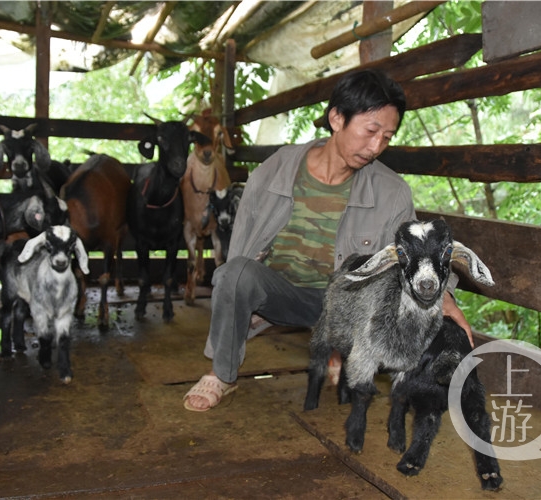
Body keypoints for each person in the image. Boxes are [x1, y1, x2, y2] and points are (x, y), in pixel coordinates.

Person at [183, 69, 472, 412]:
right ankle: (223, 375)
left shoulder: (392, 191)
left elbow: (411, 253)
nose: (376, 146)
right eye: (370, 131)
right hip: (282, 294)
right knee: (233, 274)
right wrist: (238, 304)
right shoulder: (276, 170)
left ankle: (351, 352)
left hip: (347, 304)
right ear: (336, 118)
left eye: (387, 136)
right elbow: (242, 246)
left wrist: (443, 294)